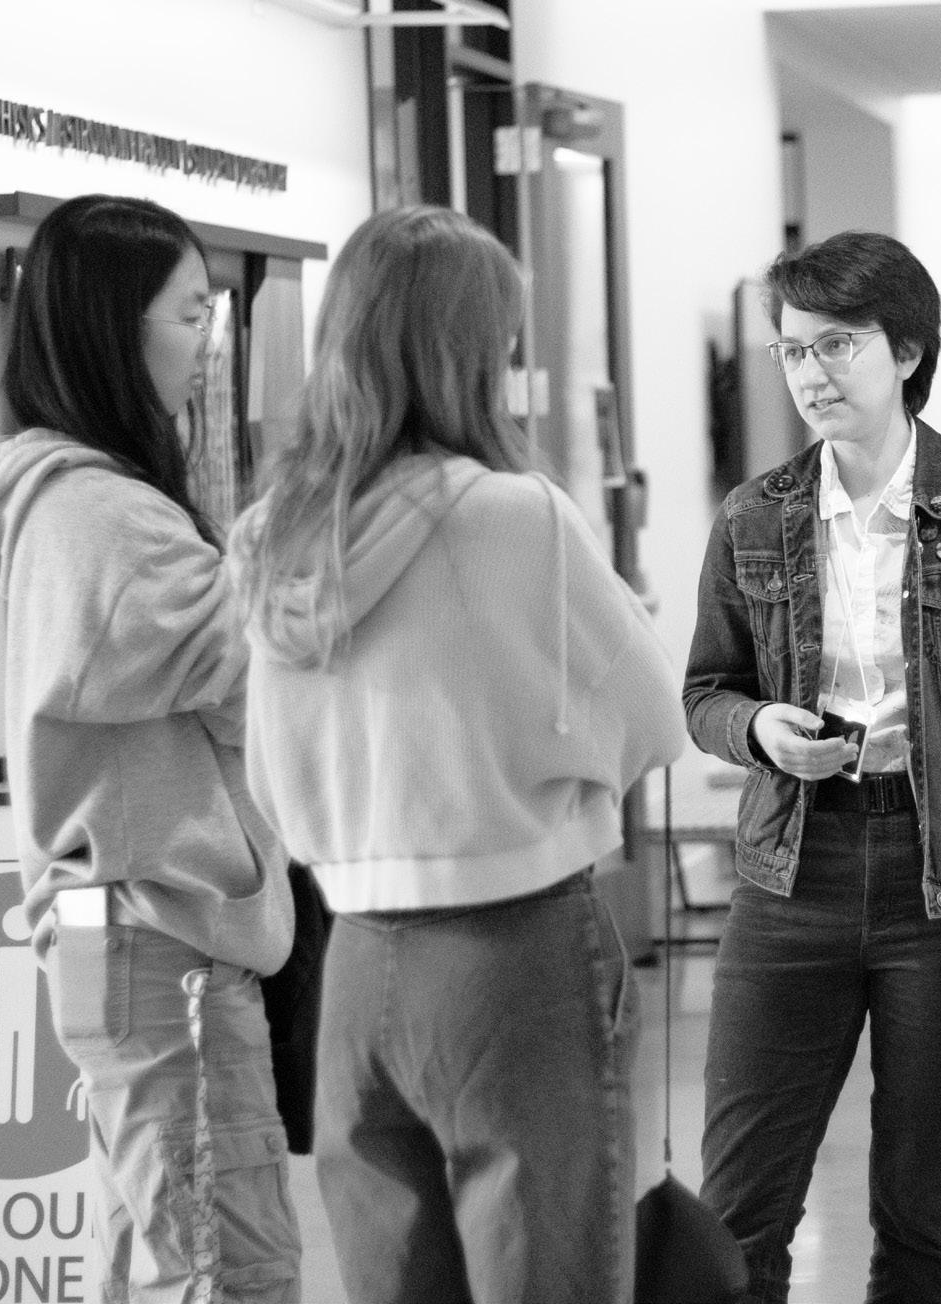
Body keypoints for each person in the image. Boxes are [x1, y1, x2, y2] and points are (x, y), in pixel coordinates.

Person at [230, 204, 687, 1304]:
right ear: (469, 353)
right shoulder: (516, 517)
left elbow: (266, 773)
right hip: (513, 953)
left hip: (352, 962)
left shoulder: (272, 536)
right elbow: (650, 718)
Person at [683, 230, 941, 1304]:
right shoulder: (754, 517)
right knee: (738, 1213)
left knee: (920, 1213)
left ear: (906, 351)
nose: (810, 374)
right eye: (792, 351)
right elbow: (706, 691)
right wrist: (760, 730)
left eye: (838, 345)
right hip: (793, 874)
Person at [0, 194, 301, 1303]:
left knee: (159, 1246)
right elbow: (262, 678)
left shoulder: (59, 498)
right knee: (222, 1261)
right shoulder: (102, 516)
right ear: (114, 327)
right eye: (189, 314)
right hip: (160, 933)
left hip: (120, 931)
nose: (206, 344)